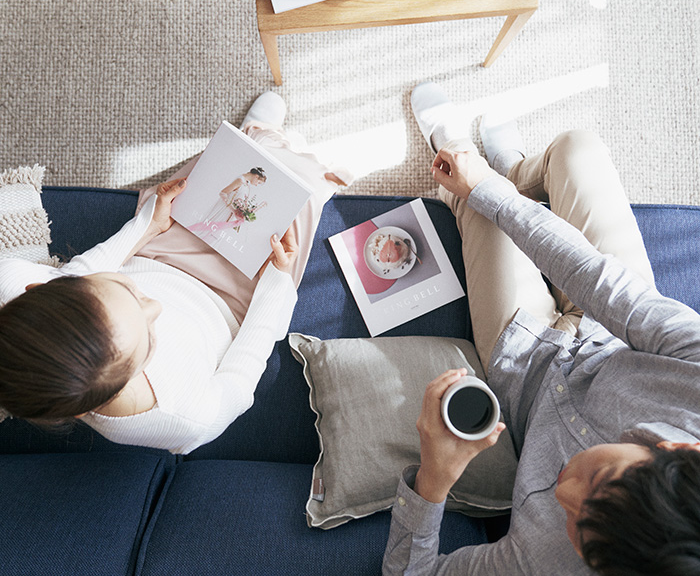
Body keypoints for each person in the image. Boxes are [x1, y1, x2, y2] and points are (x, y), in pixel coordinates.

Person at [382, 83, 700, 575]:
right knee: (577, 149)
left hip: (526, 359)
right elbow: (602, 283)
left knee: (477, 213)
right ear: (681, 450)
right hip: (614, 327)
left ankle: (467, 159)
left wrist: (433, 478)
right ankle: (510, 169)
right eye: (597, 485)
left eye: (575, 528)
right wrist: (491, 188)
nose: (561, 489)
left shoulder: (554, 564)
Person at [0, 91, 351, 455]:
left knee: (219, 173)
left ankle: (259, 137)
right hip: (235, 302)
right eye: (148, 339)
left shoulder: (13, 289)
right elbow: (241, 375)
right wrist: (275, 279)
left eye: (128, 290)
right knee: (295, 203)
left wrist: (147, 226)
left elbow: (79, 272)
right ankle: (301, 168)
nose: (155, 307)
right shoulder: (185, 418)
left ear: (37, 287)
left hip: (159, 254)